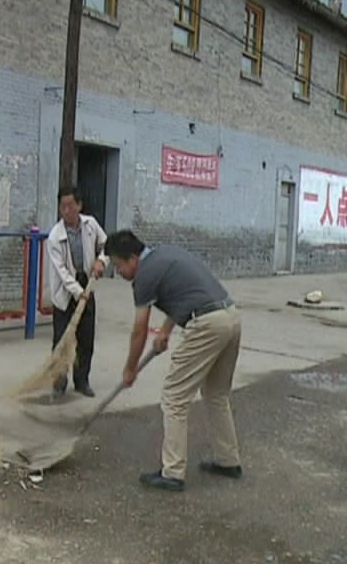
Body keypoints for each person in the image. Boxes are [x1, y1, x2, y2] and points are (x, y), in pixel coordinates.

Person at [103, 229, 243, 492]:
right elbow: (185, 295)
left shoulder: (144, 277)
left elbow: (139, 330)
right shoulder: (165, 255)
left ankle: (173, 472)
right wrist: (166, 330)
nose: (118, 271)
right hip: (230, 317)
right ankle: (228, 460)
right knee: (216, 393)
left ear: (133, 258)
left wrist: (129, 369)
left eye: (118, 265)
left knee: (173, 396)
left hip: (207, 324)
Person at [46, 186, 108, 399]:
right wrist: (78, 292)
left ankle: (82, 381)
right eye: (62, 206)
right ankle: (59, 382)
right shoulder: (55, 237)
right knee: (62, 338)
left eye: (70, 206)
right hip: (65, 291)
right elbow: (62, 272)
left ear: (79, 206)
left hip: (86, 280)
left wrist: (102, 260)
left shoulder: (91, 224)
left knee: (86, 336)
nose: (66, 210)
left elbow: (106, 245)